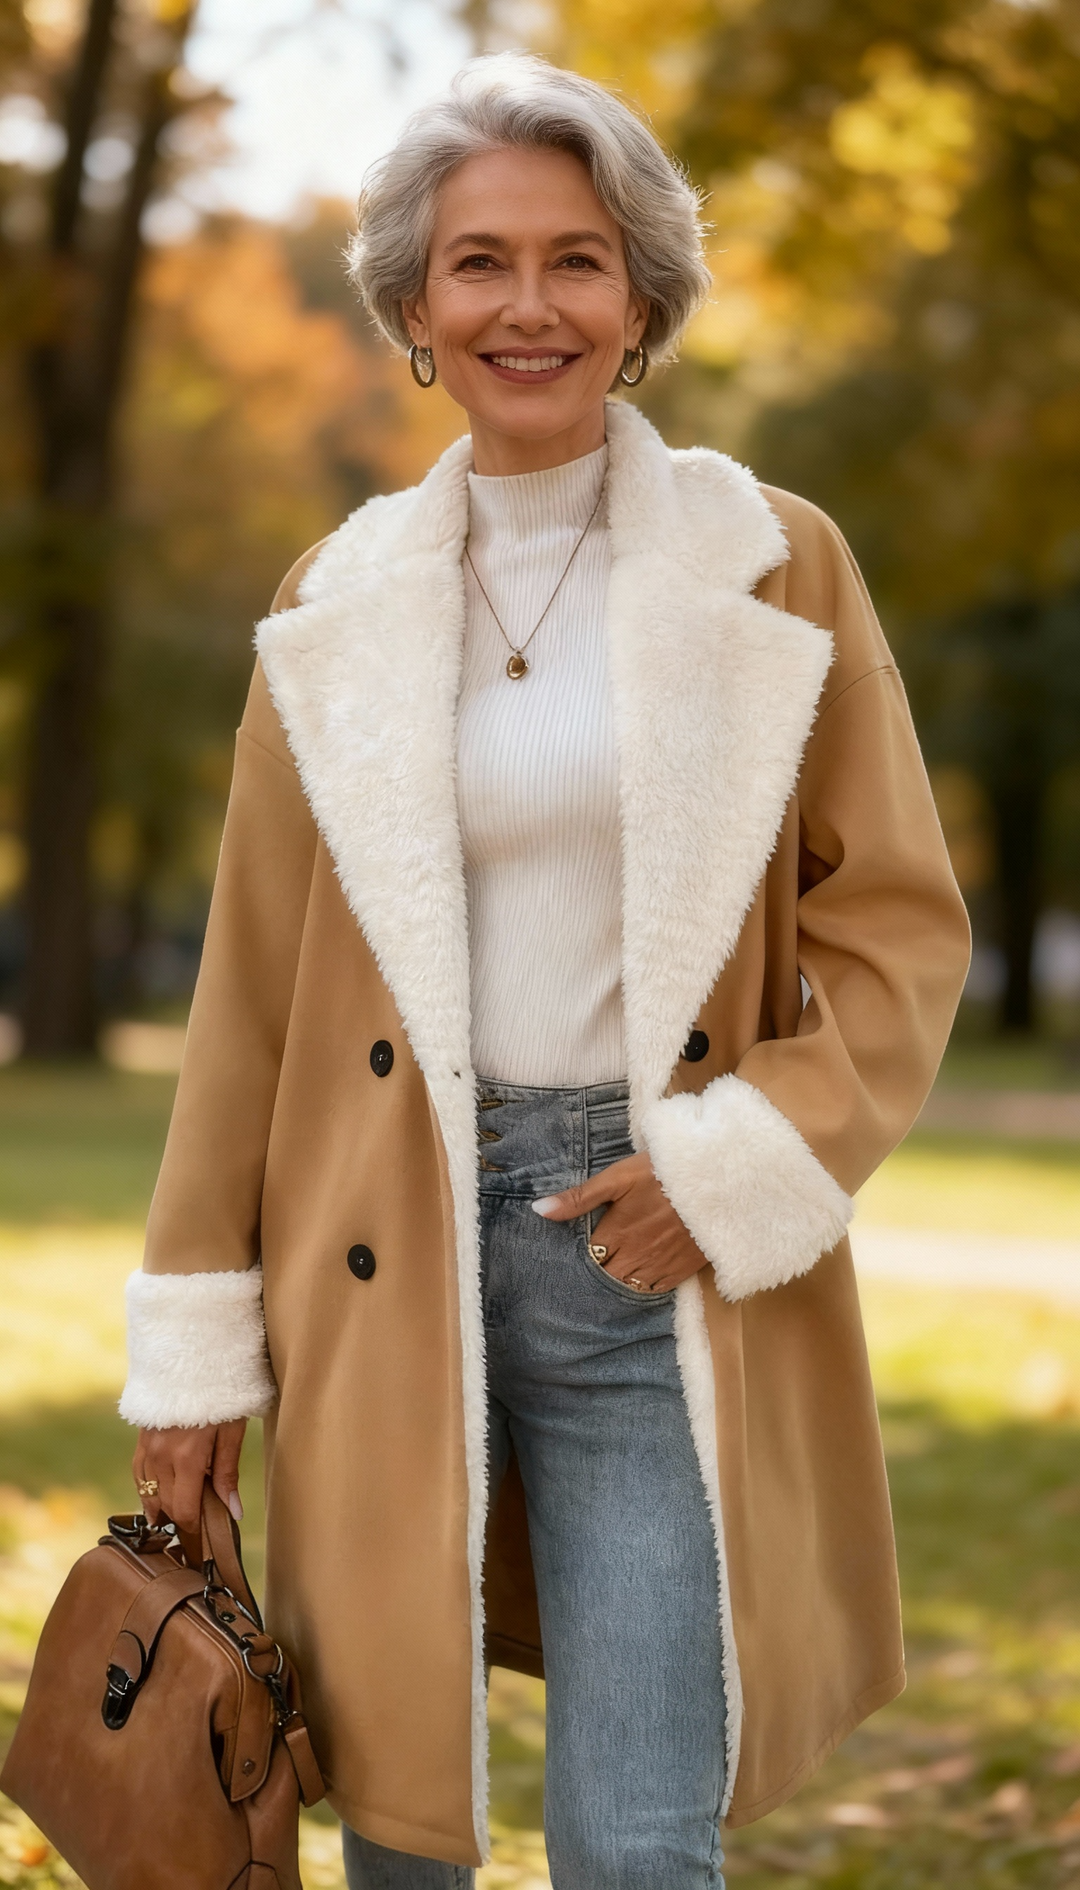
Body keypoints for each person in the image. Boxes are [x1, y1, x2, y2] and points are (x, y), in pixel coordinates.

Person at [120, 51, 971, 1890]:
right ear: (414, 308)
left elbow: (900, 925)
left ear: (643, 298)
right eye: (481, 263)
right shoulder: (328, 601)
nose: (530, 305)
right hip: (375, 1250)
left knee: (634, 1836)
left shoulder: (774, 566)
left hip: (640, 1247)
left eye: (578, 260)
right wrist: (191, 1354)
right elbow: (248, 1001)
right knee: (404, 1835)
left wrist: (738, 1168)